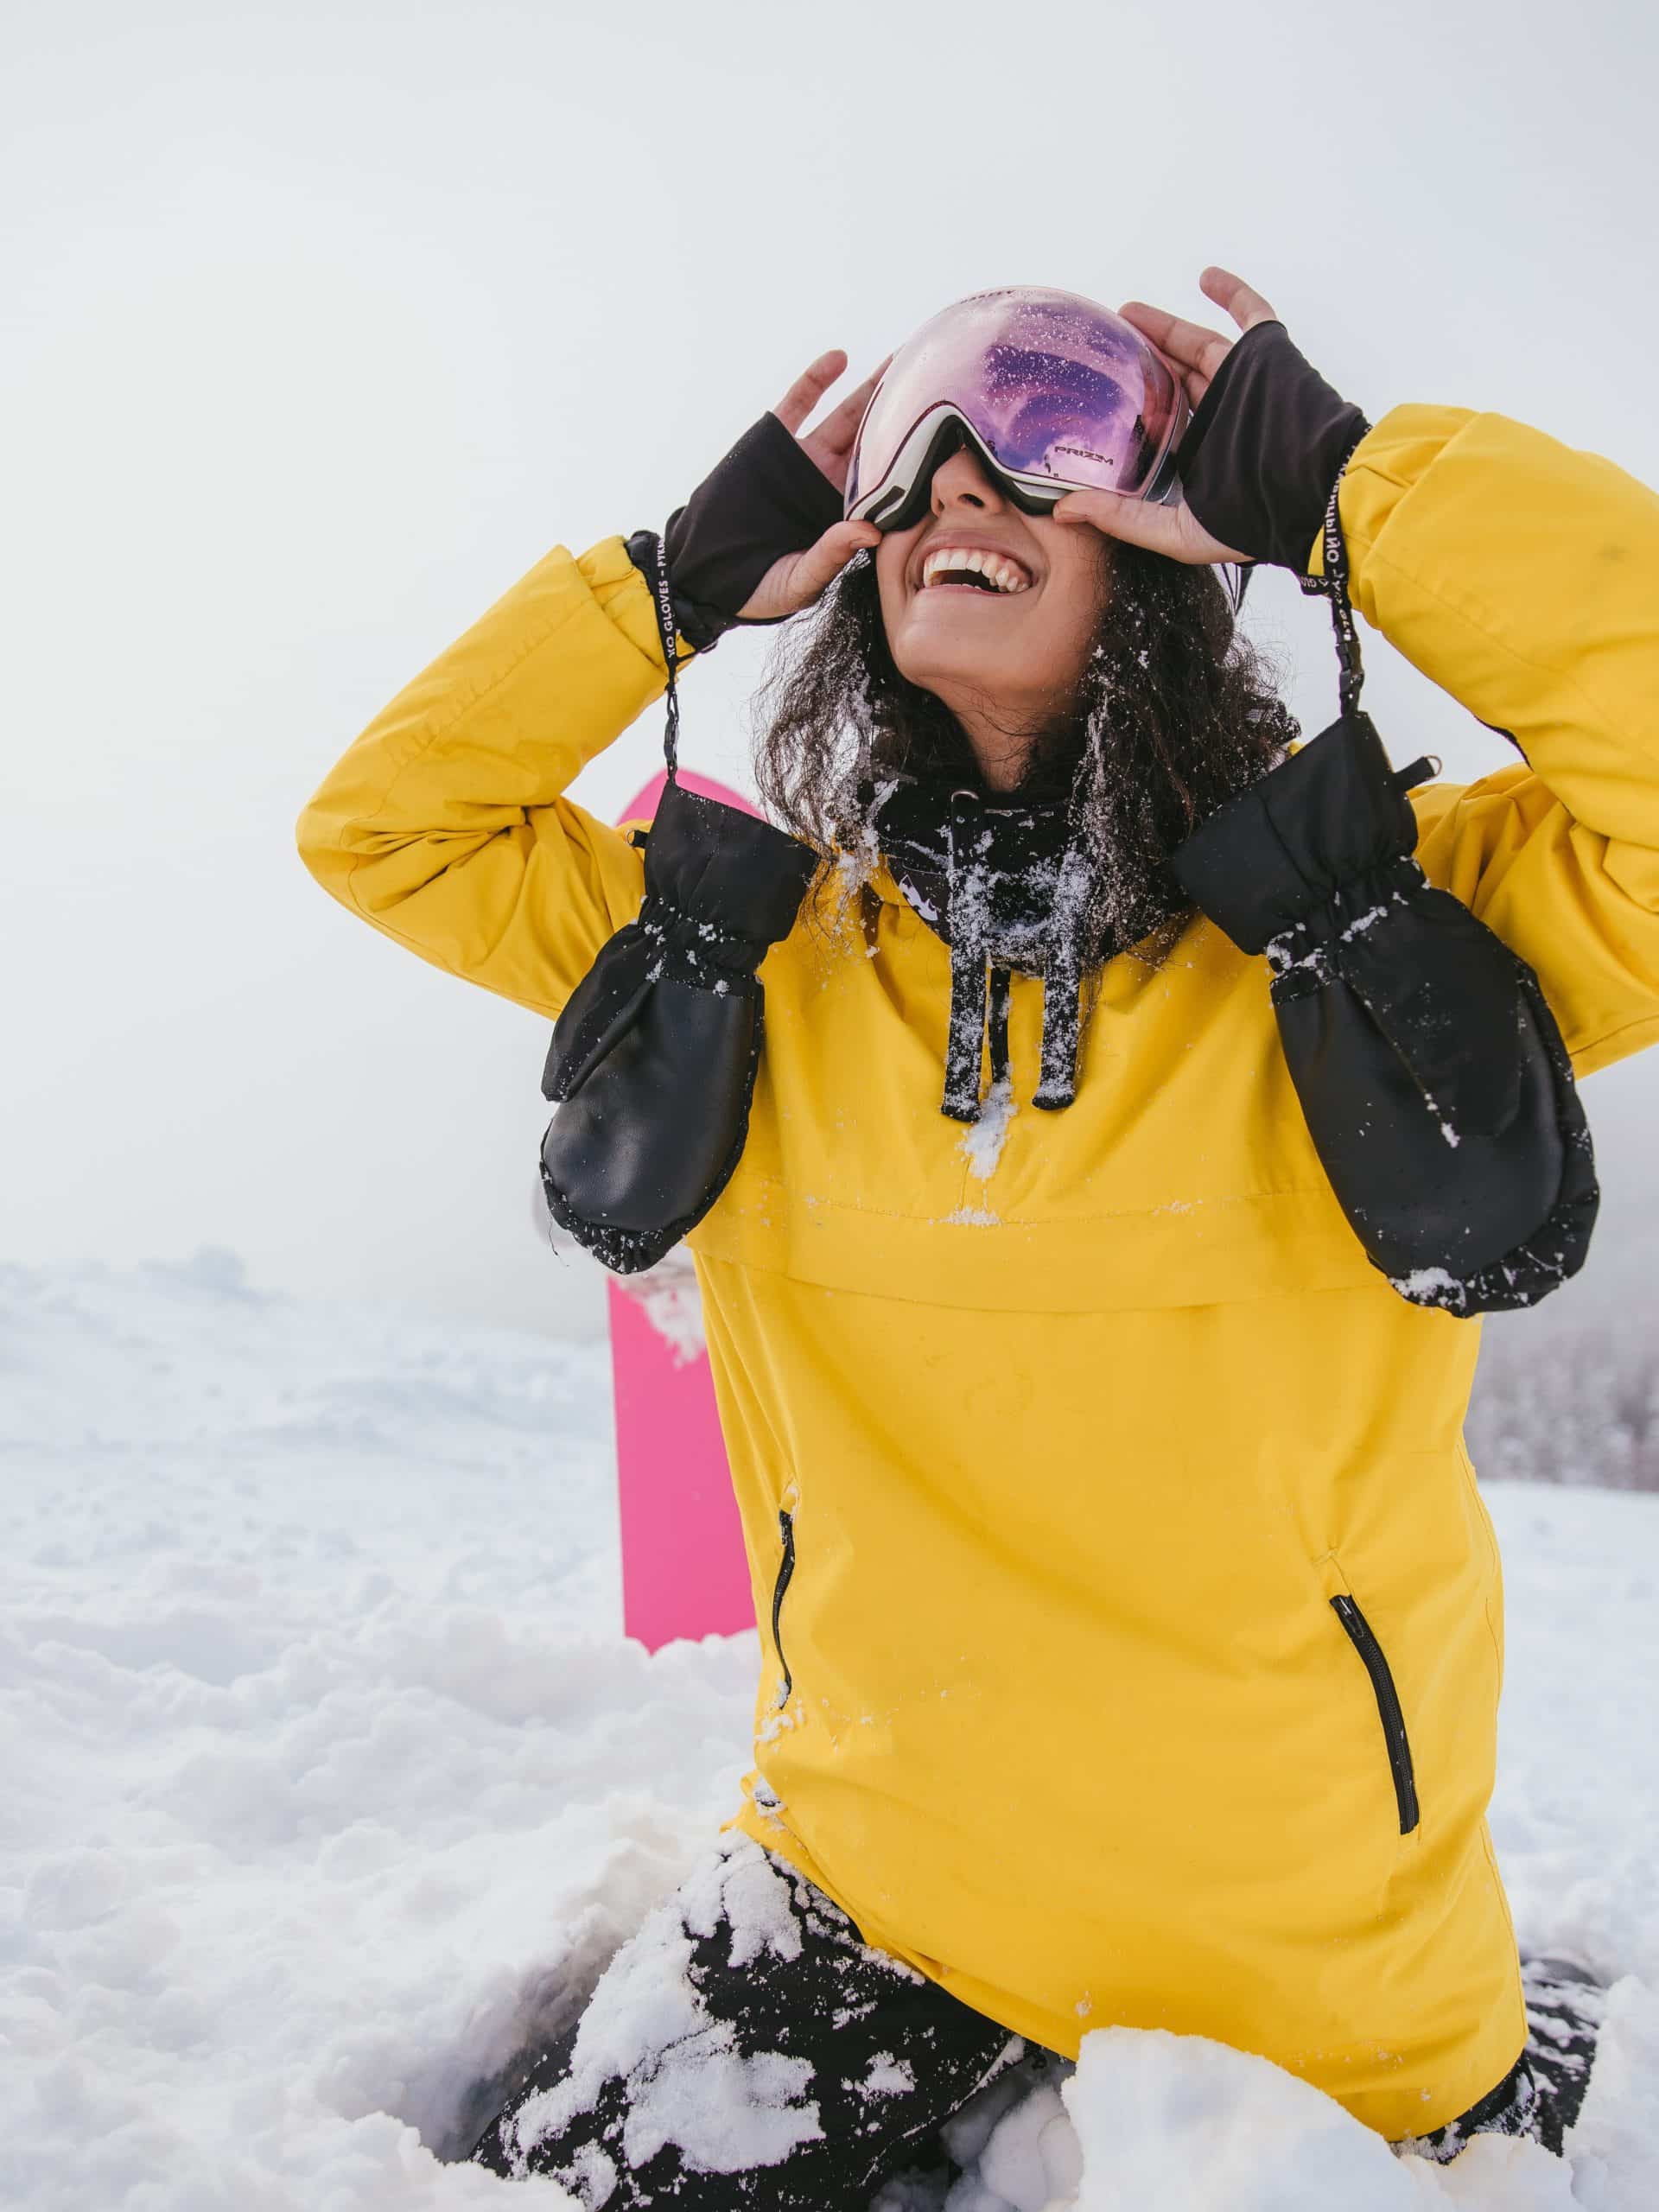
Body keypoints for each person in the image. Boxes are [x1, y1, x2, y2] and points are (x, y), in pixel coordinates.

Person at [296, 269, 1656, 2197]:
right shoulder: (758, 961)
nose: (960, 484)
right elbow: (388, 825)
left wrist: (1362, 489)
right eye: (919, 454)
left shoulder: (1380, 945)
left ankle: (1537, 2009)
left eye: (1053, 439)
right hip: (872, 1879)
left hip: (1310, 1950)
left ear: (1165, 551)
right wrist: (666, 589)